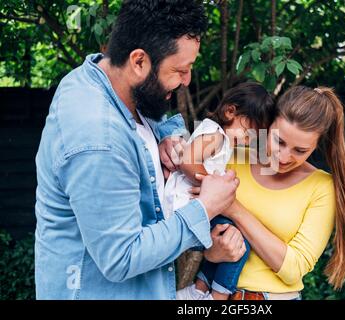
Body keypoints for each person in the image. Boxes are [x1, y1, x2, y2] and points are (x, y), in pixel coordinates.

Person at [34, 0, 245, 300]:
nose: (186, 81)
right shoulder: (98, 138)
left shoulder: (105, 79)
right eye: (180, 70)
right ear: (138, 61)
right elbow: (122, 257)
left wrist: (168, 137)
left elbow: (153, 121)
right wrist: (205, 208)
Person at [191, 86, 345, 300]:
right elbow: (187, 213)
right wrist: (211, 252)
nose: (283, 157)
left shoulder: (322, 187)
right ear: (268, 124)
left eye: (300, 150)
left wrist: (233, 208)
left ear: (316, 145)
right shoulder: (230, 154)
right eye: (278, 141)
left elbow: (294, 269)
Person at [173, 82, 276, 300]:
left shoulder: (222, 139)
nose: (247, 142)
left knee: (228, 237)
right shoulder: (216, 134)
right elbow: (188, 160)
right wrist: (213, 186)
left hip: (197, 205)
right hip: (186, 206)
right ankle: (216, 297)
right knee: (238, 243)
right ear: (230, 111)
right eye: (248, 134)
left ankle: (199, 289)